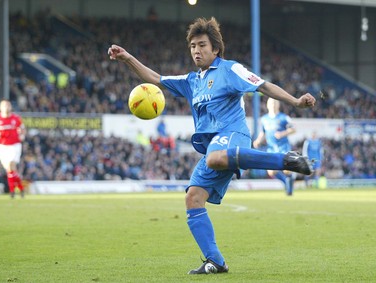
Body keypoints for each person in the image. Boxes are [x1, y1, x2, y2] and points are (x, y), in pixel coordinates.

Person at [108, 17, 315, 275]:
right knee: (193, 197)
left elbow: (263, 86)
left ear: (215, 48)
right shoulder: (192, 81)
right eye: (193, 46)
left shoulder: (230, 70)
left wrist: (295, 101)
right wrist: (127, 57)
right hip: (214, 147)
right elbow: (155, 78)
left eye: (202, 45)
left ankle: (283, 159)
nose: (196, 50)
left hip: (233, 135)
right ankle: (215, 260)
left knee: (215, 157)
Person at [253, 98, 297, 196]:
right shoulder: (264, 119)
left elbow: (293, 129)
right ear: (267, 105)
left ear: (278, 105)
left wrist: (282, 133)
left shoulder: (284, 117)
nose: (273, 104)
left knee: (286, 170)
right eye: (271, 103)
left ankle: (289, 181)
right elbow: (263, 132)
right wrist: (258, 140)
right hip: (271, 148)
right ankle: (286, 182)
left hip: (283, 147)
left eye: (275, 102)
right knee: (271, 172)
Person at [0, 100, 26, 198]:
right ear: (0, 108)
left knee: (11, 165)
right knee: (10, 170)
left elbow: (23, 129)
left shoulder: (16, 118)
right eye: (4, 105)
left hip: (15, 145)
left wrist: (22, 135)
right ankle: (21, 188)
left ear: (10, 107)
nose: (6, 107)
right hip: (2, 146)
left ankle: (12, 191)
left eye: (8, 105)